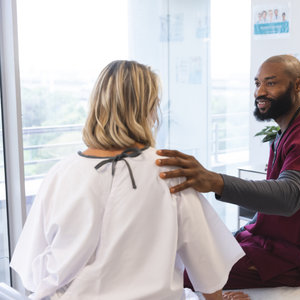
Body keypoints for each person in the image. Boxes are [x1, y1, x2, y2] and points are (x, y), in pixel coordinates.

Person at [10, 60, 249, 300]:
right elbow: (206, 267)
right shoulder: (169, 171)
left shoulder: (62, 173)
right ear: (149, 108)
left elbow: (33, 273)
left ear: (96, 106)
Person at [156, 55, 300, 289]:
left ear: (298, 85)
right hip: (274, 242)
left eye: (270, 83)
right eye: (257, 83)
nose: (259, 92)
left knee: (185, 273)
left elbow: (289, 196)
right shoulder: (287, 132)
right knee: (185, 255)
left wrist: (214, 181)